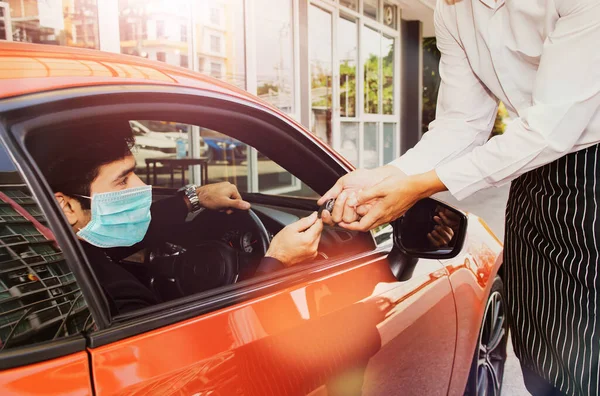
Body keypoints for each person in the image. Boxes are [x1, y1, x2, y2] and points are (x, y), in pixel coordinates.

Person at [320, 0, 600, 394]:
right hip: (532, 181)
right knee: (542, 353)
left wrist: (419, 187)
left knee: (588, 364)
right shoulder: (450, 11)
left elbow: (549, 131)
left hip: (590, 174)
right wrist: (386, 176)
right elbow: (461, 124)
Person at [28, 123, 322, 315]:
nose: (143, 186)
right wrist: (277, 263)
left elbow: (133, 236)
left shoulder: (62, 256)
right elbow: (221, 348)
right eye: (122, 181)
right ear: (66, 206)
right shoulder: (119, 298)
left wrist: (194, 198)